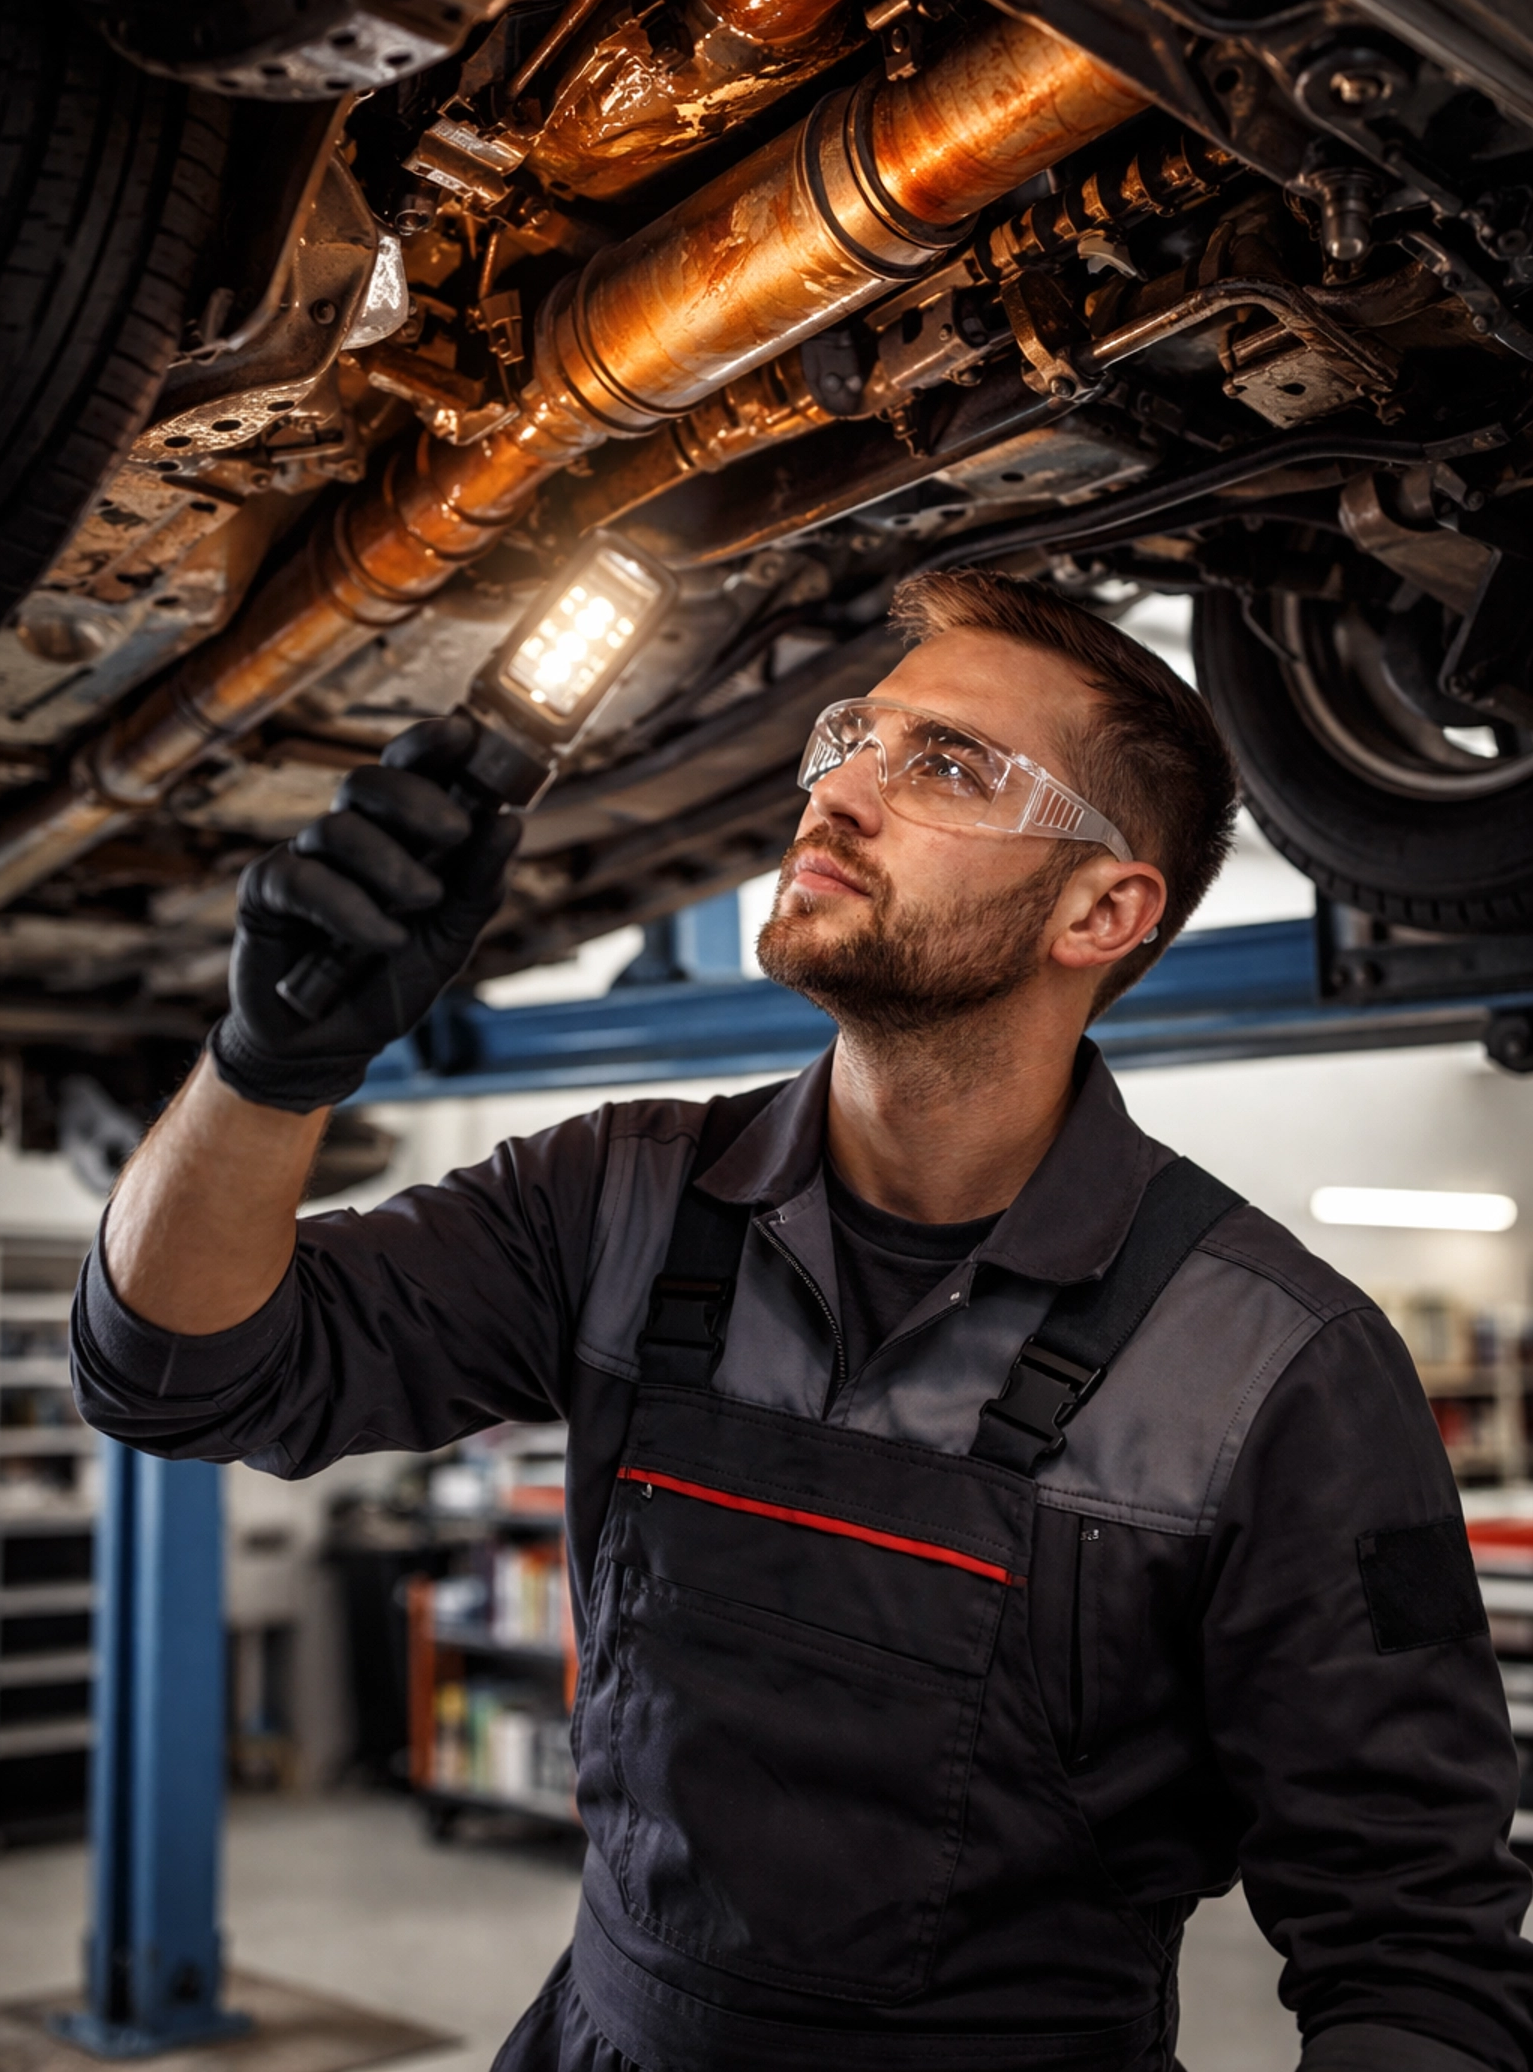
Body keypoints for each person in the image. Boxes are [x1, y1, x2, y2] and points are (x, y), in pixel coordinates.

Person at [75, 569, 1533, 2072]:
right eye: (852, 739)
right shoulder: (620, 1196)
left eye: (947, 763)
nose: (838, 794)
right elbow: (174, 1376)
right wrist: (268, 1065)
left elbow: (1417, 1953)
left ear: (1104, 907)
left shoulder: (1278, 1367)